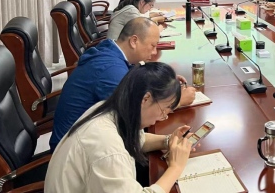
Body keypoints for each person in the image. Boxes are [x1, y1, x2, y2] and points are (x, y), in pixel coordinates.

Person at [45, 62, 195, 193]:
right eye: (164, 110)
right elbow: (112, 150)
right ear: (146, 99)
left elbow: (135, 138)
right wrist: (175, 167)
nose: (163, 117)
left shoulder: (109, 108)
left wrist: (167, 141)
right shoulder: (106, 145)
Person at [49, 18, 196, 151]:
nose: (154, 52)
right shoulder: (110, 69)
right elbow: (137, 112)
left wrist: (163, 82)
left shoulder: (110, 49)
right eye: (152, 46)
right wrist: (177, 100)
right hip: (73, 151)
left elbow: (134, 78)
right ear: (134, 41)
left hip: (89, 138)